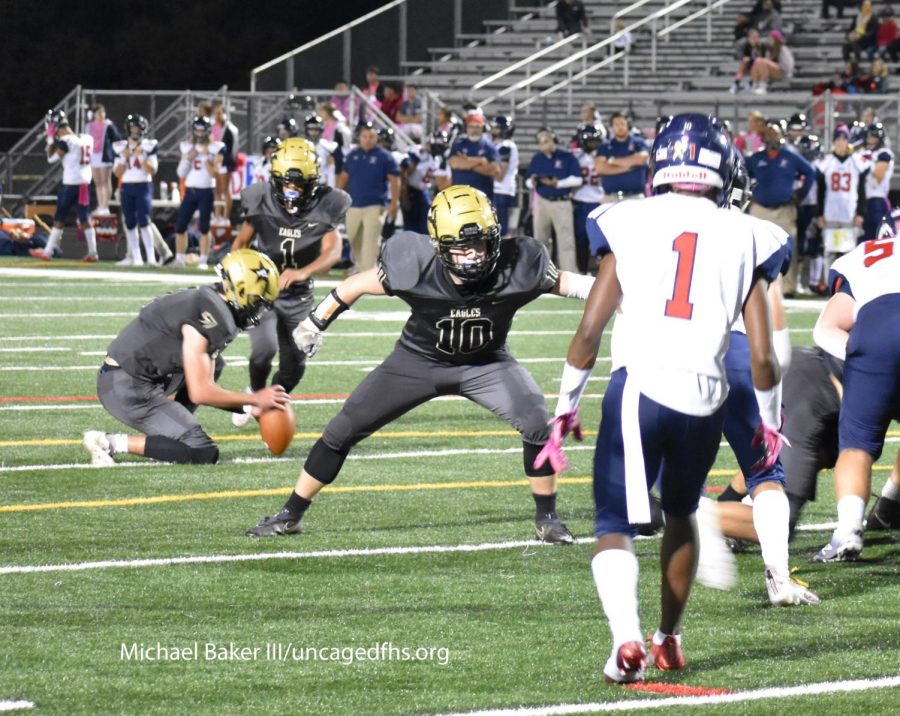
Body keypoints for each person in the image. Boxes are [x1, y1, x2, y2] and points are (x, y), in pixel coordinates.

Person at [550, 114, 787, 682]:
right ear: (723, 170)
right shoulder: (752, 233)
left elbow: (589, 332)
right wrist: (770, 425)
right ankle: (669, 637)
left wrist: (564, 408)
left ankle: (626, 640)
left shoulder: (626, 218)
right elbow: (761, 358)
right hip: (705, 398)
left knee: (614, 522)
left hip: (640, 386)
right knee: (681, 513)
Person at [245, 185, 596, 542]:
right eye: (462, 248)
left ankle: (547, 519)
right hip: (416, 361)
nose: (473, 256)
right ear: (439, 246)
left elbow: (574, 284)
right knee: (341, 430)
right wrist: (316, 320)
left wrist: (619, 294)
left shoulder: (519, 263)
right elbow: (356, 284)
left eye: (479, 245)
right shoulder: (415, 265)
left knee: (537, 421)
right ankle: (291, 513)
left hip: (488, 364)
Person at [82, 249, 288, 466]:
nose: (260, 310)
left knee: (215, 365)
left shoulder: (213, 303)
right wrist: (255, 399)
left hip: (140, 375)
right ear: (240, 290)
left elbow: (205, 382)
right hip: (126, 385)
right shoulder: (211, 315)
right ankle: (107, 442)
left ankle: (175, 428)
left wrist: (248, 407)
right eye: (257, 300)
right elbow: (200, 392)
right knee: (202, 451)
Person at [229, 138, 351, 427]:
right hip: (264, 289)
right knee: (264, 348)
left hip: (299, 296)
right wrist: (241, 275)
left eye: (297, 184)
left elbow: (334, 251)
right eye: (285, 183)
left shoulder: (327, 202)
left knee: (294, 366)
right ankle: (256, 394)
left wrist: (303, 272)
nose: (290, 190)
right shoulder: (260, 199)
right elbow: (241, 244)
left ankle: (270, 396)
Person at [811, 225, 900, 561]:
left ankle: (848, 531)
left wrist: (867, 364)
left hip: (876, 329)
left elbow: (825, 328)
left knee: (857, 446)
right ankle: (889, 505)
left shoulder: (867, 255)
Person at [746, 120, 816, 295]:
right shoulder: (756, 158)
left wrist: (801, 194)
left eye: (775, 133)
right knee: (754, 248)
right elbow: (742, 174)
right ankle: (754, 285)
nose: (772, 136)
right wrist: (749, 195)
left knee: (789, 247)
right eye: (769, 133)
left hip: (785, 209)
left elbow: (810, 172)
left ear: (782, 135)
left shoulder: (790, 156)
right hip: (760, 209)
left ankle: (788, 287)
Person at [29, 109, 100, 263]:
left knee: (59, 217)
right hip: (84, 184)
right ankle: (93, 252)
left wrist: (49, 140)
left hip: (70, 184)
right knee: (84, 217)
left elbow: (51, 158)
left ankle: (47, 252)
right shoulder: (86, 138)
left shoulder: (66, 141)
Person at [338, 122, 400, 272]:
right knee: (352, 237)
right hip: (354, 204)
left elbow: (394, 180)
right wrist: (338, 198)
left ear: (376, 138)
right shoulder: (353, 155)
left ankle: (368, 269)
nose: (367, 139)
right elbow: (343, 178)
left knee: (370, 239)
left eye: (371, 136)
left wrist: (394, 203)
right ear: (359, 138)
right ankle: (361, 266)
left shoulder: (385, 156)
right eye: (364, 136)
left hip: (375, 204)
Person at [527, 129, 582, 273]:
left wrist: (558, 183)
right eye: (541, 141)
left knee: (566, 241)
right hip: (542, 201)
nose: (544, 143)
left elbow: (578, 179)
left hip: (561, 202)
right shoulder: (537, 158)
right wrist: (532, 182)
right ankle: (541, 274)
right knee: (540, 240)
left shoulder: (566, 156)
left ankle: (570, 274)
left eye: (547, 140)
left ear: (554, 140)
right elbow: (527, 181)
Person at [173, 115, 224, 269]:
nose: (200, 134)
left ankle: (203, 260)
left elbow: (214, 173)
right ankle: (179, 258)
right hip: (190, 190)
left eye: (203, 131)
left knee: (204, 227)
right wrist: (188, 158)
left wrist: (206, 157)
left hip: (206, 191)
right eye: (198, 130)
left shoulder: (216, 147)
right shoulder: (187, 146)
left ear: (207, 131)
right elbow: (181, 173)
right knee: (180, 225)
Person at [816, 125, 865, 269]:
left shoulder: (856, 162)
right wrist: (819, 214)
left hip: (849, 213)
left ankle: (846, 288)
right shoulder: (827, 161)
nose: (841, 142)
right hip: (830, 213)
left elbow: (861, 190)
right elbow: (821, 191)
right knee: (830, 252)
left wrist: (861, 213)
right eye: (838, 138)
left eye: (844, 138)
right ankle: (831, 289)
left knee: (849, 253)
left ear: (848, 141)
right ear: (834, 141)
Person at [112, 114, 159, 267]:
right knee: (130, 223)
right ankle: (136, 257)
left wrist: (141, 156)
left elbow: (152, 170)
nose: (134, 131)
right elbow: (117, 173)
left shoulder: (148, 145)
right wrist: (126, 157)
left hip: (143, 185)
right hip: (126, 186)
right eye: (132, 128)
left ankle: (151, 258)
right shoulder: (121, 146)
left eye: (137, 128)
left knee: (144, 221)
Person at [572, 123, 606, 274]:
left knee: (603, 240)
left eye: (594, 141)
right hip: (581, 201)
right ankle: (583, 271)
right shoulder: (575, 156)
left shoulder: (605, 154)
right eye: (589, 141)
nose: (592, 144)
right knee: (581, 241)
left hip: (600, 200)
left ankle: (602, 273)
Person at [594, 112, 648, 203]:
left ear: (628, 125)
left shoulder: (638, 142)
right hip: (610, 197)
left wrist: (611, 161)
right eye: (616, 124)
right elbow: (600, 168)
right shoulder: (605, 145)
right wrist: (628, 166)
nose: (620, 127)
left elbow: (641, 159)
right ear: (612, 127)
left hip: (635, 197)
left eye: (622, 124)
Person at [448, 113, 500, 200]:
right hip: (460, 196)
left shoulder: (489, 147)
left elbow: (494, 169)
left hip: (482, 197)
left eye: (477, 127)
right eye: (472, 126)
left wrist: (466, 163)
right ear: (467, 127)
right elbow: (454, 163)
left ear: (482, 128)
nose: (474, 130)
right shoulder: (458, 144)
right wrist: (480, 160)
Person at [858, 122, 894, 240]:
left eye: (874, 137)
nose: (870, 140)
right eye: (868, 136)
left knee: (877, 237)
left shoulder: (884, 153)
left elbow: (879, 176)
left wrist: (866, 163)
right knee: (860, 238)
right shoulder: (861, 153)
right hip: (859, 201)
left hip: (876, 200)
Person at [87, 104, 119, 215]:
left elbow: (116, 138)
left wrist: (112, 126)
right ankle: (100, 205)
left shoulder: (108, 125)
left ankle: (106, 206)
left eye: (103, 112)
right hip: (93, 156)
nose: (101, 115)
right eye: (99, 112)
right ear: (94, 114)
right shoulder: (89, 126)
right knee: (98, 182)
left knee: (105, 182)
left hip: (104, 156)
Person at [211, 100, 239, 226]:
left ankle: (226, 217)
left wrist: (225, 163)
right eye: (215, 113)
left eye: (219, 113)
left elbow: (232, 150)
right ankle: (217, 216)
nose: (216, 116)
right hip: (217, 163)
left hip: (225, 164)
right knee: (217, 190)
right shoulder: (214, 128)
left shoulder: (230, 129)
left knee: (225, 190)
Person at [491, 115, 519, 237]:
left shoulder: (506, 146)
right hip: (500, 189)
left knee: (502, 231)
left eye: (496, 128)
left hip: (502, 190)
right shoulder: (501, 145)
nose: (493, 130)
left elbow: (500, 175)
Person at [304, 113, 341, 188]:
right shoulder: (301, 146)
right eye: (311, 130)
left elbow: (332, 169)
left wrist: (331, 187)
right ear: (307, 130)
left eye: (316, 130)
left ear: (321, 130)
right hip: (305, 184)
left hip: (322, 184)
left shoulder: (329, 147)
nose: (313, 133)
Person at [731, 28, 767, 93]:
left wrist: (756, 49)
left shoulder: (762, 45)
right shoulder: (745, 45)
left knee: (757, 63)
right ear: (749, 38)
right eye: (753, 37)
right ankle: (736, 84)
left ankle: (750, 84)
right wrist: (746, 57)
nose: (755, 39)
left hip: (759, 65)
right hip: (749, 64)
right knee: (743, 64)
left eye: (756, 37)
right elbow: (742, 56)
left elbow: (763, 58)